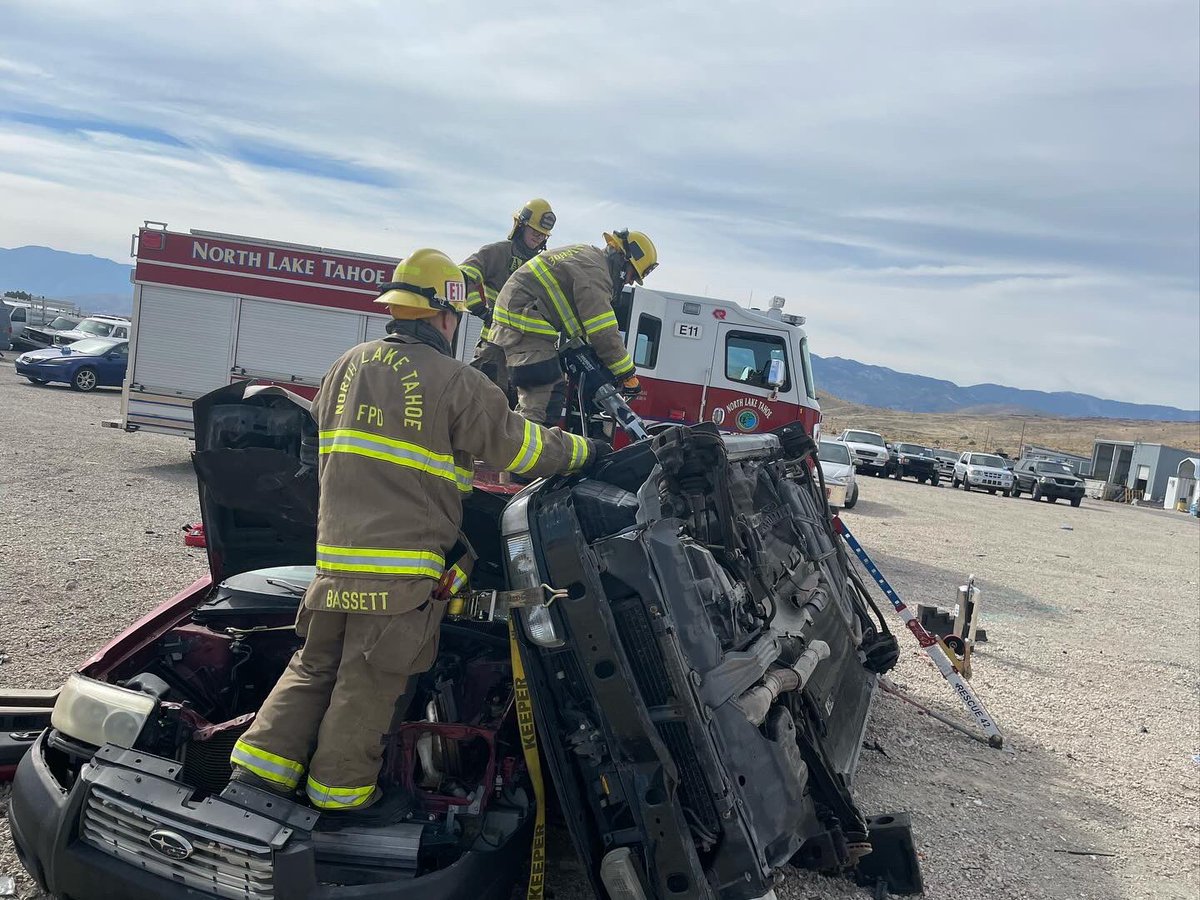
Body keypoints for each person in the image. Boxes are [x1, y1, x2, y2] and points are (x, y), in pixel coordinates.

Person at [229, 248, 604, 820]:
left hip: (333, 559)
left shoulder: (345, 365)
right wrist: (585, 451)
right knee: (369, 681)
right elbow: (521, 449)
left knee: (313, 665)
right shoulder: (456, 380)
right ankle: (341, 797)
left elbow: (322, 453)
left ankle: (254, 775)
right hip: (400, 572)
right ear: (446, 314)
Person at [489, 229, 658, 425]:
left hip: (518, 319)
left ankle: (517, 443)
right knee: (546, 397)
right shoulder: (596, 273)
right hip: (524, 322)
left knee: (541, 393)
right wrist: (627, 374)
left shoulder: (587, 257)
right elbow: (602, 329)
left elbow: (581, 321)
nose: (629, 281)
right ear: (623, 260)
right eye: (632, 275)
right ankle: (528, 451)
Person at [460, 198, 556, 394]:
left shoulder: (543, 264)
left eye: (543, 234)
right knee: (478, 406)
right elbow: (462, 276)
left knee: (514, 418)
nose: (538, 237)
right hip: (494, 349)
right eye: (534, 231)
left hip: (525, 354)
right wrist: (480, 310)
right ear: (520, 226)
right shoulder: (497, 252)